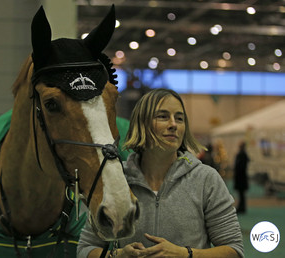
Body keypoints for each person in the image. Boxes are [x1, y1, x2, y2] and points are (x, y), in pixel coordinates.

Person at [77, 89, 244, 258]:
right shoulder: (117, 180)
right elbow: (86, 249)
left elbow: (234, 251)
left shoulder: (206, 179)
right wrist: (117, 255)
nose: (173, 124)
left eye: (179, 118)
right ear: (141, 124)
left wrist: (186, 255)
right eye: (163, 116)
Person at [234, 141, 250, 214]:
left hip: (241, 177)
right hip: (241, 177)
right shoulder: (243, 154)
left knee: (241, 194)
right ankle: (241, 207)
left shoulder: (242, 155)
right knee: (241, 194)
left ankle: (242, 207)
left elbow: (240, 166)